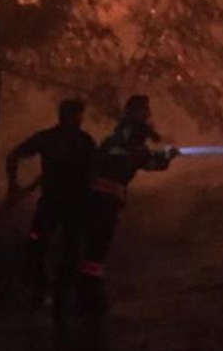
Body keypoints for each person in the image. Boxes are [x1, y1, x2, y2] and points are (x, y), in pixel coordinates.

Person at [76, 94, 179, 319]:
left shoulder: (119, 138)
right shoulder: (126, 139)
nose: (148, 115)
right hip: (103, 201)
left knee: (93, 248)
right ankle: (88, 297)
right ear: (135, 111)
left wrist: (165, 155)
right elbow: (141, 157)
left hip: (97, 200)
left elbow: (148, 160)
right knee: (96, 249)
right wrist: (165, 153)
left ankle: (85, 293)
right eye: (145, 110)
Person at [6, 98, 96, 318]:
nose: (76, 119)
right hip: (57, 204)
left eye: (77, 115)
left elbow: (95, 174)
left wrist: (13, 186)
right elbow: (13, 156)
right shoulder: (68, 140)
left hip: (68, 205)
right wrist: (13, 186)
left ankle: (58, 291)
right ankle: (48, 289)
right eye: (74, 115)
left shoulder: (78, 141)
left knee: (64, 247)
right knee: (39, 243)